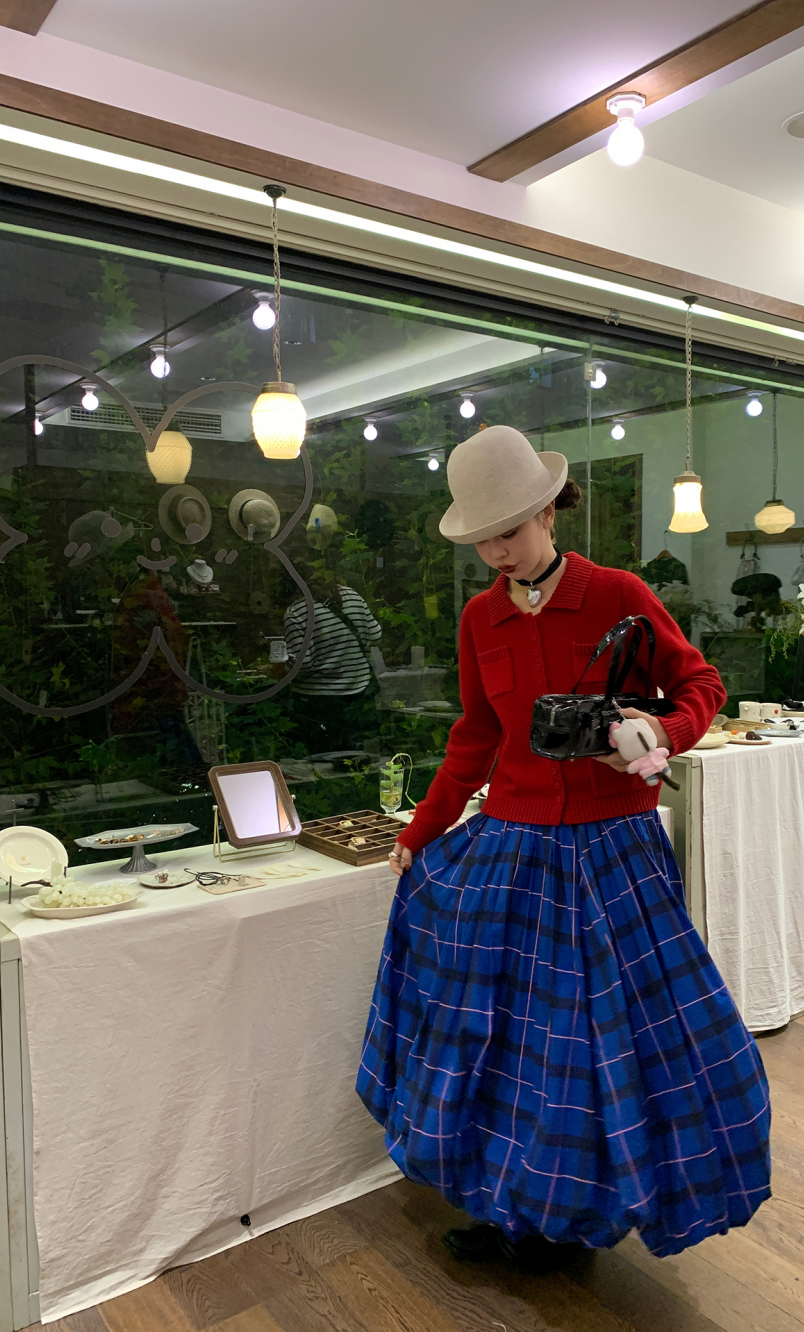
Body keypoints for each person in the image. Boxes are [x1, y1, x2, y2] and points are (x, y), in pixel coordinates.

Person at [356, 426, 771, 1271]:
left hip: (617, 851)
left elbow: (702, 683)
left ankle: (588, 1211)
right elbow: (475, 737)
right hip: (515, 851)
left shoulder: (619, 594)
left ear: (549, 510)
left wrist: (661, 728)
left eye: (508, 531)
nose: (496, 554)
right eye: (482, 540)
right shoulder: (480, 618)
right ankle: (520, 1210)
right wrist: (421, 830)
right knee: (516, 1043)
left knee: (617, 1045)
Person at [283, 570, 382, 754]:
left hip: (318, 702)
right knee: (360, 756)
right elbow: (375, 635)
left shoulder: (297, 612)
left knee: (323, 759)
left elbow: (302, 665)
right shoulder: (351, 595)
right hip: (359, 693)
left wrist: (279, 670)